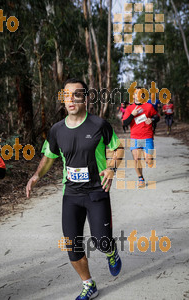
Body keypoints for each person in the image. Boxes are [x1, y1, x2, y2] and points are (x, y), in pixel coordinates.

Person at [26, 78, 124, 300]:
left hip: (97, 192)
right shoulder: (57, 130)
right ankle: (89, 284)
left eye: (76, 95)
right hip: (70, 195)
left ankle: (111, 251)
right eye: (66, 96)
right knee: (72, 244)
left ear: (86, 98)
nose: (70, 100)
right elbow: (49, 156)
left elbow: (117, 148)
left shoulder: (99, 125)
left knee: (101, 241)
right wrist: (35, 176)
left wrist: (111, 168)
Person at [123, 87, 160, 188]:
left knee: (148, 160)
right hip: (135, 137)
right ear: (133, 95)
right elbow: (125, 122)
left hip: (147, 137)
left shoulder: (148, 106)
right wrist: (132, 115)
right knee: (136, 159)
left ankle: (149, 160)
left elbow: (157, 117)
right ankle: (141, 179)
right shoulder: (130, 108)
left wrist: (152, 119)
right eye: (136, 93)